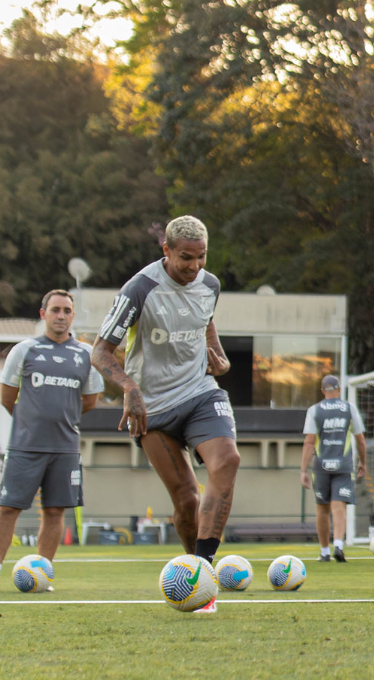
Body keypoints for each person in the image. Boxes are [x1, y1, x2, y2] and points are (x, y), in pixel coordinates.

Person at [91, 215, 239, 613]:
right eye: (185, 258)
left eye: (201, 258)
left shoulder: (210, 284)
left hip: (200, 393)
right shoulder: (140, 289)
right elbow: (100, 351)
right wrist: (130, 388)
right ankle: (196, 571)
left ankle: (202, 571)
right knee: (187, 500)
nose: (194, 267)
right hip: (152, 409)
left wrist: (218, 357)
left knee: (227, 460)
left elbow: (206, 322)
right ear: (166, 251)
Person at [0, 290, 104, 591]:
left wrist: (61, 417)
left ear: (72, 316)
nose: (61, 315)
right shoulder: (25, 350)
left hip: (65, 448)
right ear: (43, 314)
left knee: (55, 511)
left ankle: (43, 574)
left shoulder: (85, 354)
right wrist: (32, 420)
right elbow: (8, 397)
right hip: (25, 446)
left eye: (66, 311)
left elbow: (91, 400)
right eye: (55, 310)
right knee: (8, 508)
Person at [300, 374, 367, 562]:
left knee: (322, 509)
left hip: (321, 466)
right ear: (339, 390)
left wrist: (303, 470)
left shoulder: (314, 410)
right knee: (339, 507)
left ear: (323, 391)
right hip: (344, 465)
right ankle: (338, 544)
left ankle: (324, 552)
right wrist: (363, 461)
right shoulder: (349, 408)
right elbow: (360, 439)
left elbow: (309, 442)